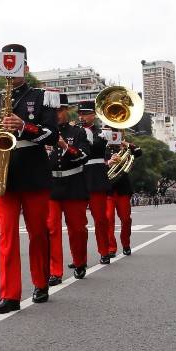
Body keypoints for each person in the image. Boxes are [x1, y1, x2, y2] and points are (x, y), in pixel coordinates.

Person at [0, 44, 59, 314]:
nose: (11, 71)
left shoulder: (43, 97)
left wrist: (24, 126)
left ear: (25, 67)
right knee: (7, 236)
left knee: (38, 232)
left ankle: (40, 282)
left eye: (16, 66)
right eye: (6, 66)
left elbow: (51, 135)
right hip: (4, 173)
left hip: (34, 171)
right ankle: (9, 294)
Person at [46, 95, 90, 285]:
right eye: (54, 111)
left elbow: (83, 157)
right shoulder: (44, 133)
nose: (57, 114)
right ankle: (55, 271)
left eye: (60, 110)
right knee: (51, 230)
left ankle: (80, 262)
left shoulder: (79, 132)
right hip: (51, 186)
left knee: (77, 229)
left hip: (74, 185)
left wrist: (65, 146)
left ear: (66, 110)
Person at [77, 101, 111, 264]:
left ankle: (104, 251)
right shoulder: (75, 131)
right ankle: (79, 257)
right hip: (78, 177)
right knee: (78, 222)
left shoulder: (102, 133)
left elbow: (98, 147)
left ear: (93, 115)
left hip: (96, 177)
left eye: (85, 114)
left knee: (100, 219)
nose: (82, 117)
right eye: (80, 114)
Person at [105, 138, 143, 257]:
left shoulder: (125, 148)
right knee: (108, 219)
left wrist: (126, 143)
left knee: (126, 219)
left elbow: (138, 151)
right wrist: (109, 162)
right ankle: (111, 248)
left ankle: (126, 244)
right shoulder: (102, 147)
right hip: (108, 189)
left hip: (123, 189)